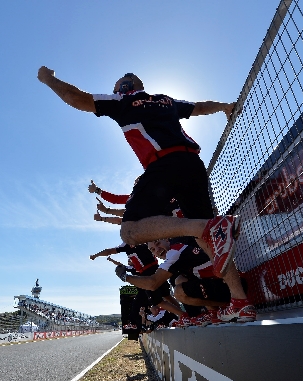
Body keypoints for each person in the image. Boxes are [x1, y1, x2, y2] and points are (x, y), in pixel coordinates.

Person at [38, 67, 247, 308]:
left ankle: (211, 226)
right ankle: (241, 301)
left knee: (129, 232)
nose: (114, 92)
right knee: (209, 240)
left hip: (164, 164)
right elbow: (198, 107)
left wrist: (48, 79)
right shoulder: (165, 101)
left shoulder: (124, 101)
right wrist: (223, 107)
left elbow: (75, 98)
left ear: (123, 89)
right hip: (193, 164)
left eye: (116, 89)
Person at [118, 238, 256, 325]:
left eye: (158, 243)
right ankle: (214, 312)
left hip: (234, 286)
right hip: (227, 284)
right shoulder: (177, 248)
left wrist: (125, 277)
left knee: (179, 291)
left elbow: (153, 283)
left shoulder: (174, 252)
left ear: (166, 239)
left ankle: (235, 306)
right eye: (153, 249)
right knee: (179, 280)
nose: (157, 250)